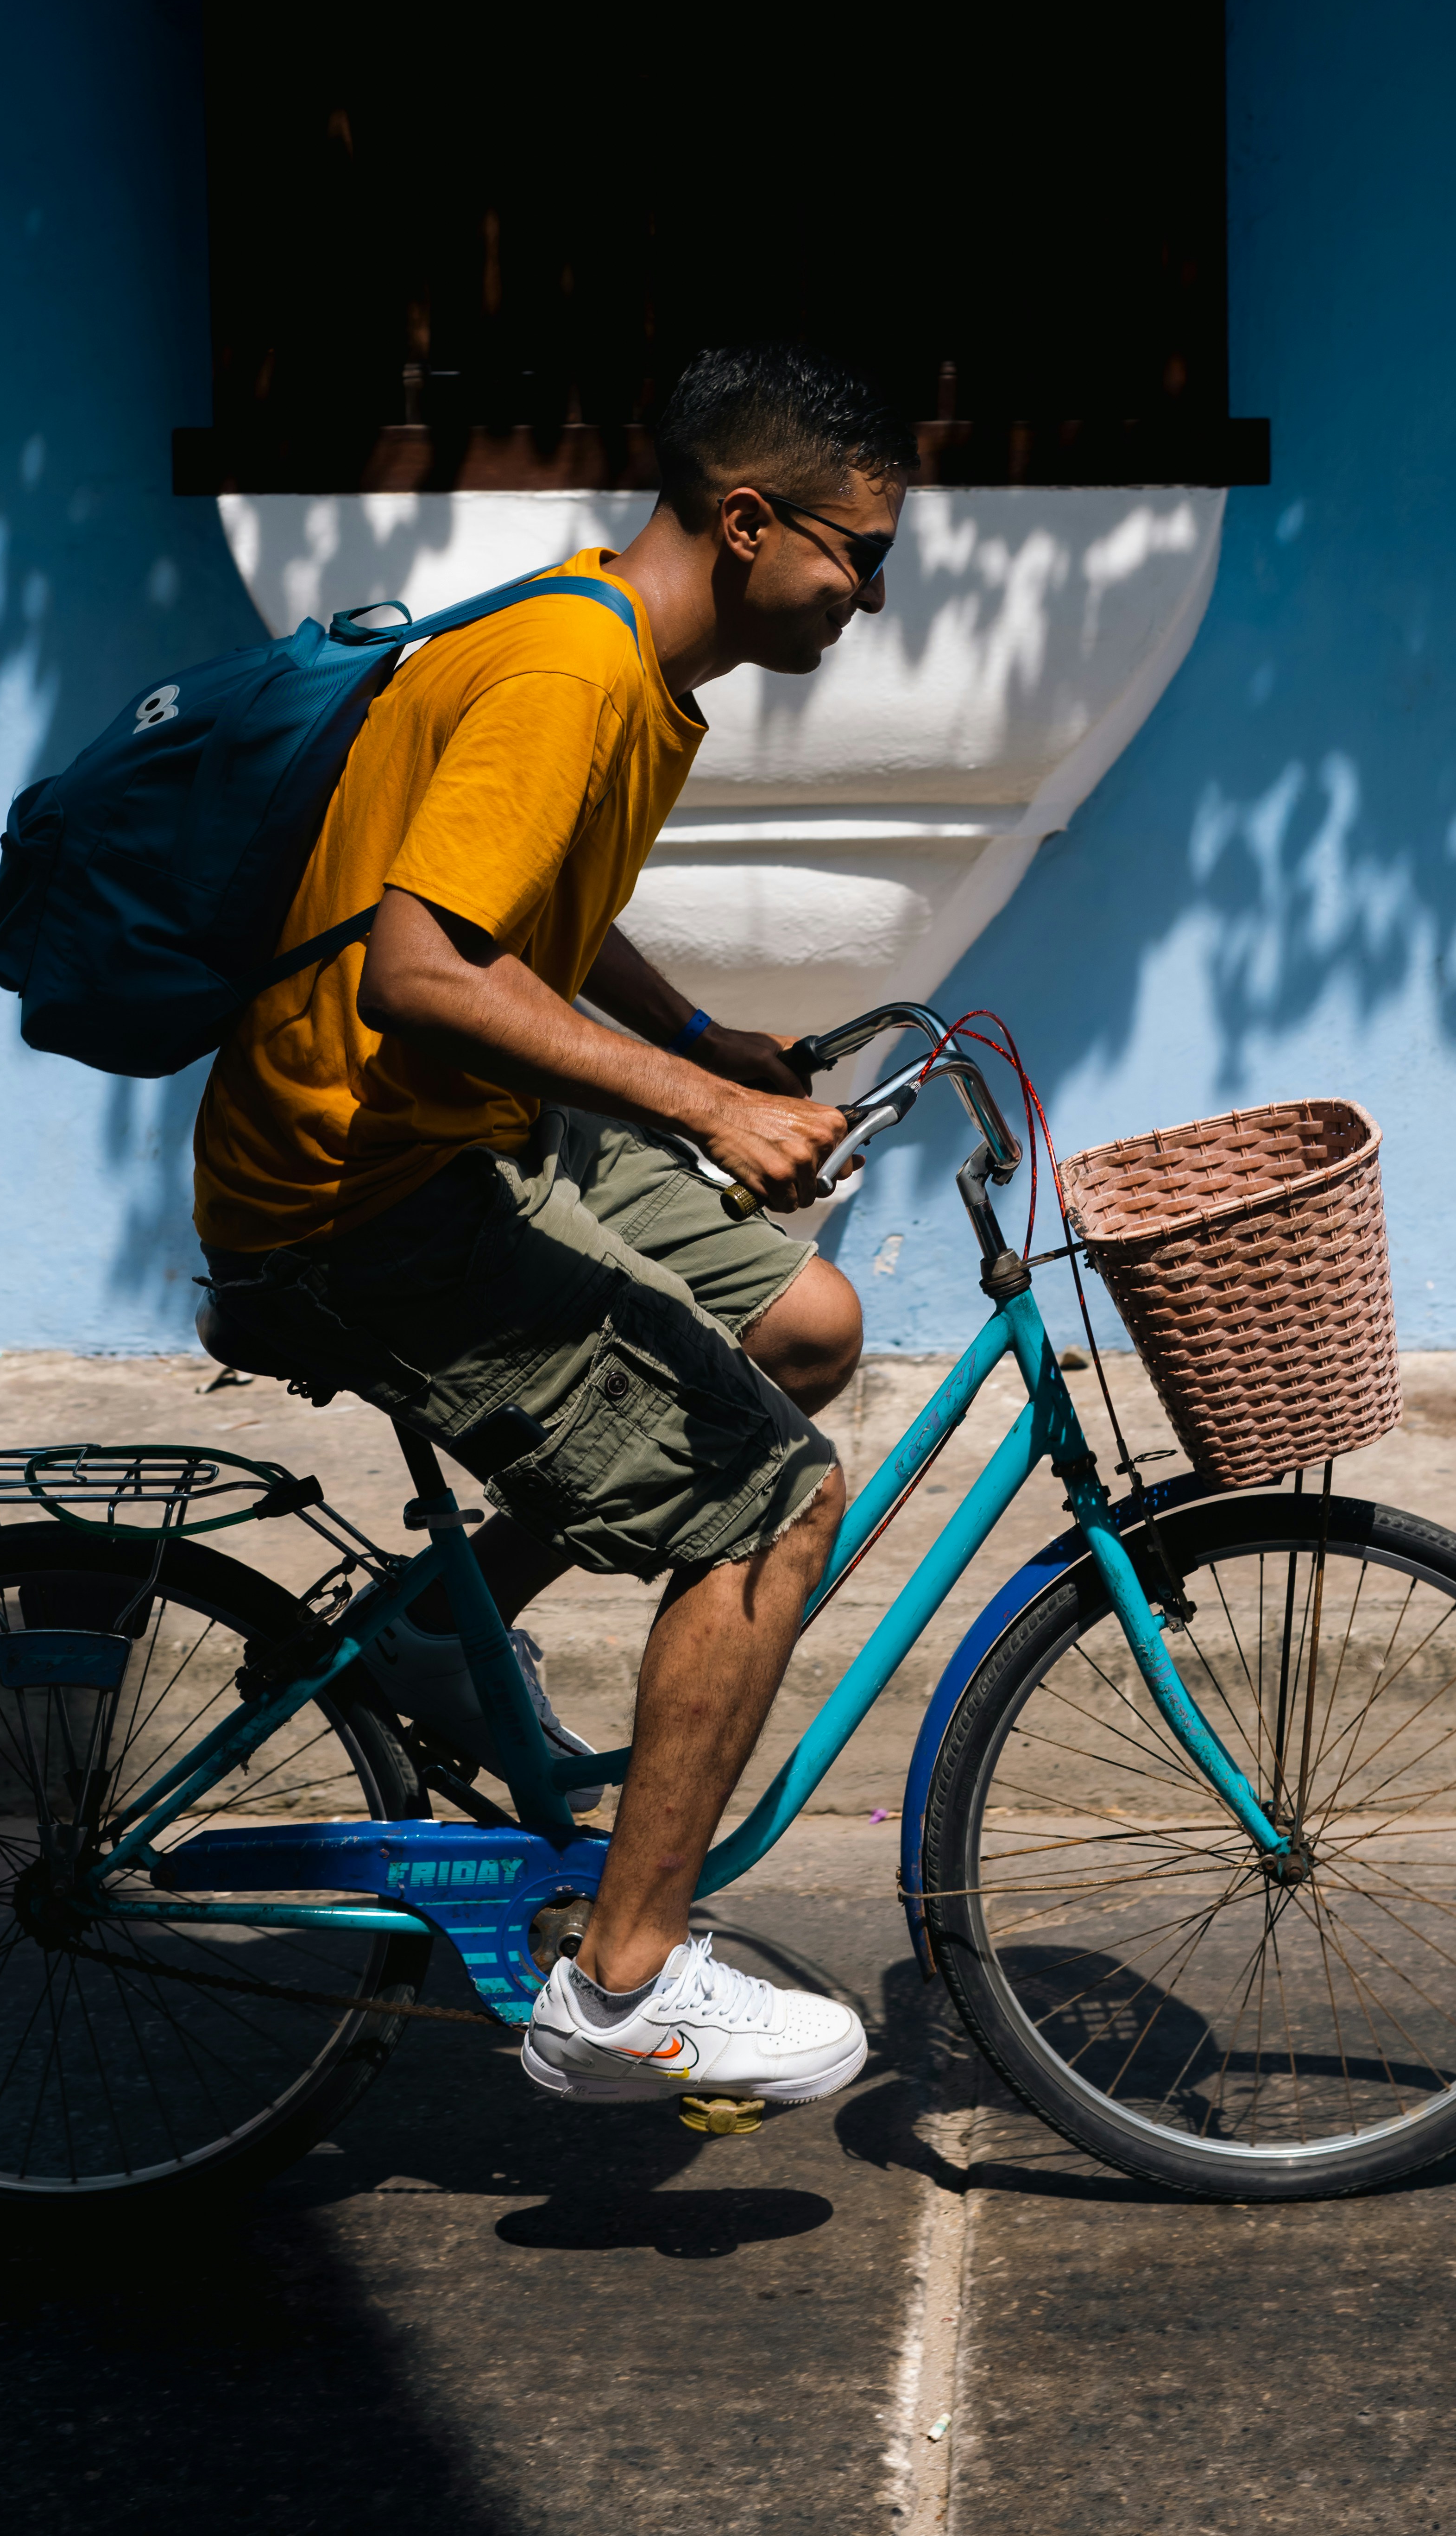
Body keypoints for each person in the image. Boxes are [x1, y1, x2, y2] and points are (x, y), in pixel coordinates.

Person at [194, 341, 910, 2111]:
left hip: (479, 1134)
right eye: (853, 553)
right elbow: (423, 967)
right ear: (747, 522)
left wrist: (692, 1040)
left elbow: (529, 913)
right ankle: (621, 1987)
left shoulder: (630, 659)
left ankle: (447, 1620)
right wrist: (713, 1110)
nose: (866, 595)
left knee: (807, 1330)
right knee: (777, 1495)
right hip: (364, 1194)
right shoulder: (572, 670)